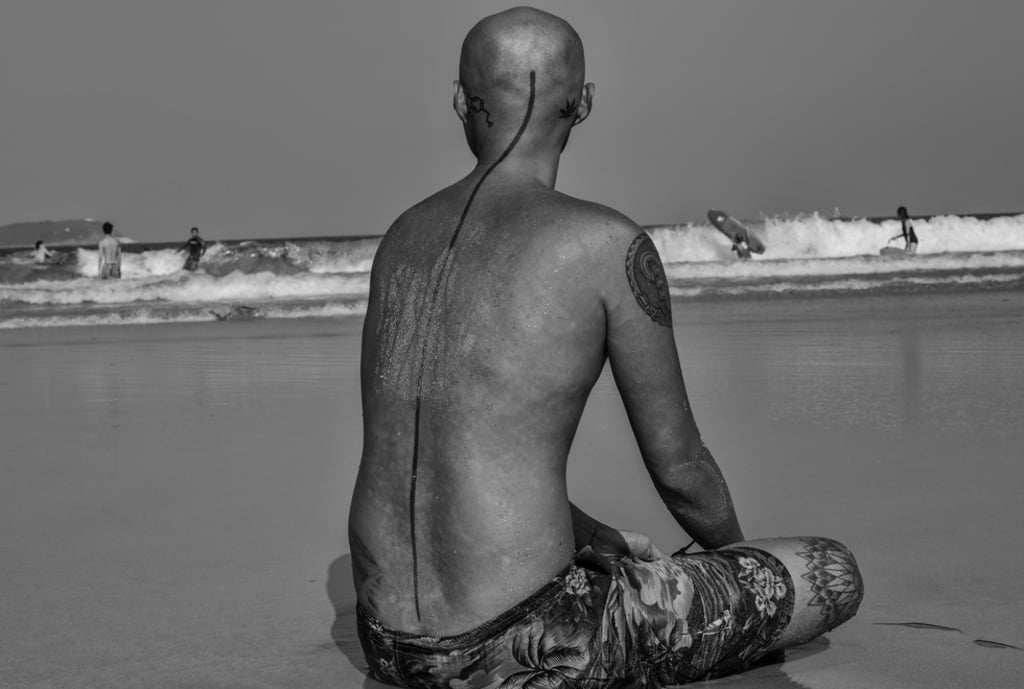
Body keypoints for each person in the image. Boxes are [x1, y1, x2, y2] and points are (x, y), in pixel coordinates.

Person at [348, 7, 862, 687]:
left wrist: (591, 535)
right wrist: (735, 566)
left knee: (623, 554)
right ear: (584, 103)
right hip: (523, 644)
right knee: (831, 569)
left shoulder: (401, 241)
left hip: (388, 644)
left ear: (459, 101)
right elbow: (682, 470)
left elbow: (438, 455)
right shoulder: (605, 244)